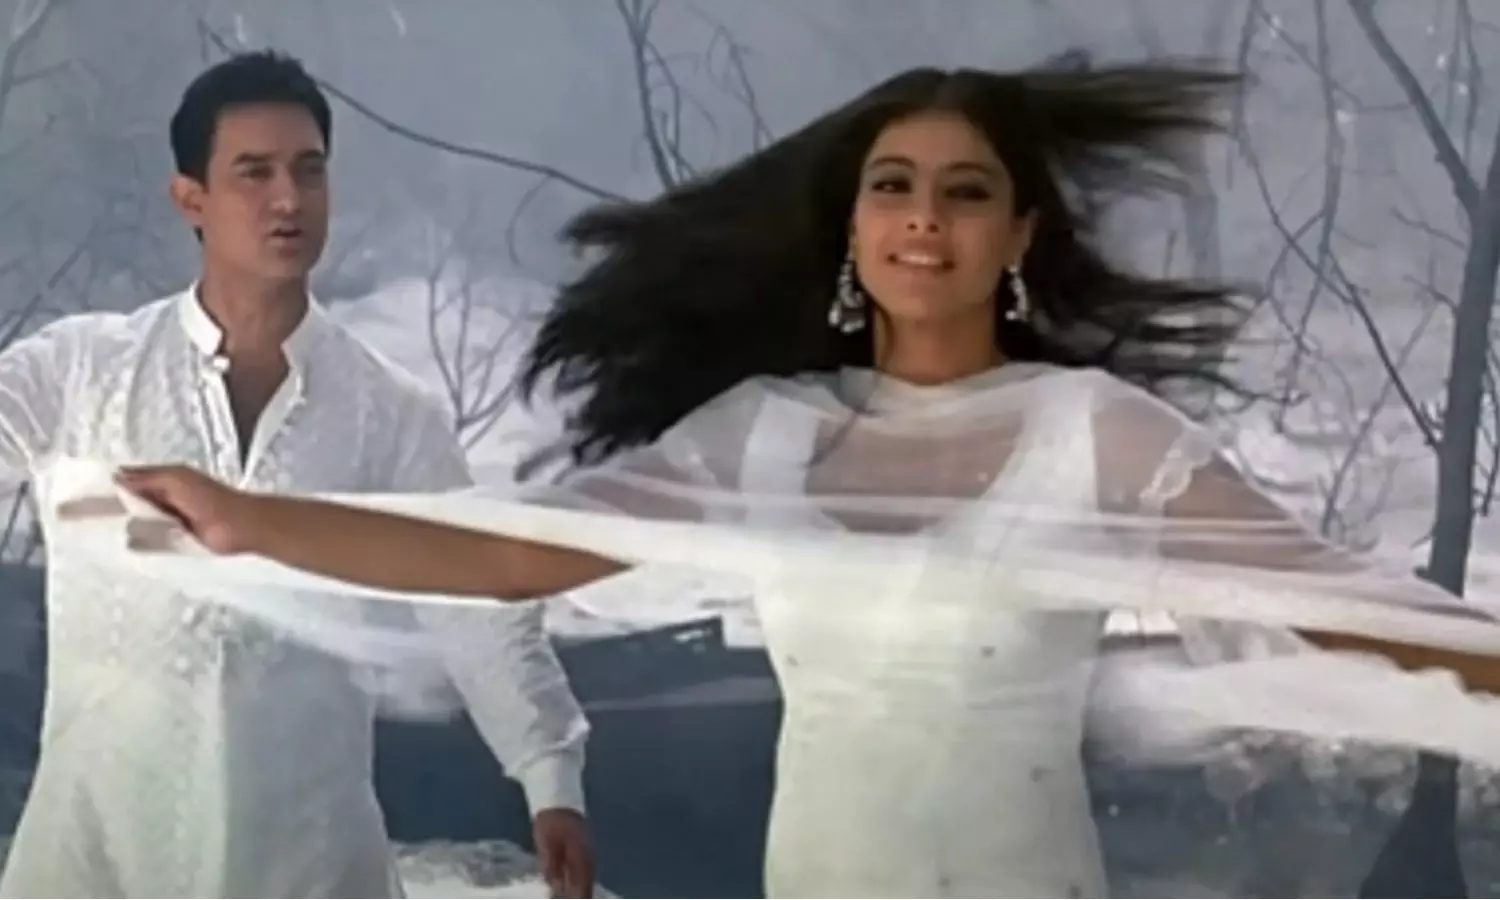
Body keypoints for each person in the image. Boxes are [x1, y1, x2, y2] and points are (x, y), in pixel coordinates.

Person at [51, 57, 1500, 897]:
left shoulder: (1094, 432)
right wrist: (256, 519)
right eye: (893, 186)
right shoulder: (769, 433)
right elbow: (509, 551)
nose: (923, 220)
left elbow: (1345, 605)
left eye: (966, 192)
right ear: (851, 227)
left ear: (1020, 236)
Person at [0, 51, 594, 898]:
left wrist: (550, 776)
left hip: (308, 851)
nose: (289, 198)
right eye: (255, 172)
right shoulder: (83, 371)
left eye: (309, 170)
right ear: (191, 199)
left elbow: (471, 591)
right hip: (101, 849)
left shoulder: (386, 409)